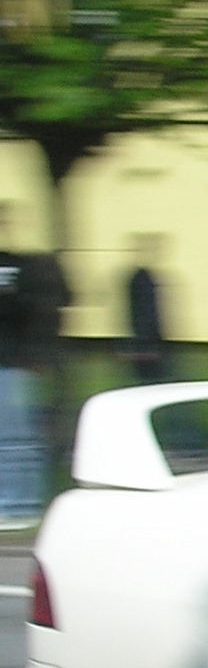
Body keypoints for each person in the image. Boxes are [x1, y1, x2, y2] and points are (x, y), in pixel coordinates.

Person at [0, 204, 61, 528]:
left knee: (17, 438)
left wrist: (35, 354)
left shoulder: (19, 266)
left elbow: (33, 312)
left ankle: (21, 505)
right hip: (14, 360)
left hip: (13, 362)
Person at [122, 234, 175, 385]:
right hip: (147, 342)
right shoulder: (142, 279)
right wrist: (148, 343)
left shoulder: (142, 277)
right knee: (153, 381)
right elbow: (145, 312)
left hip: (148, 340)